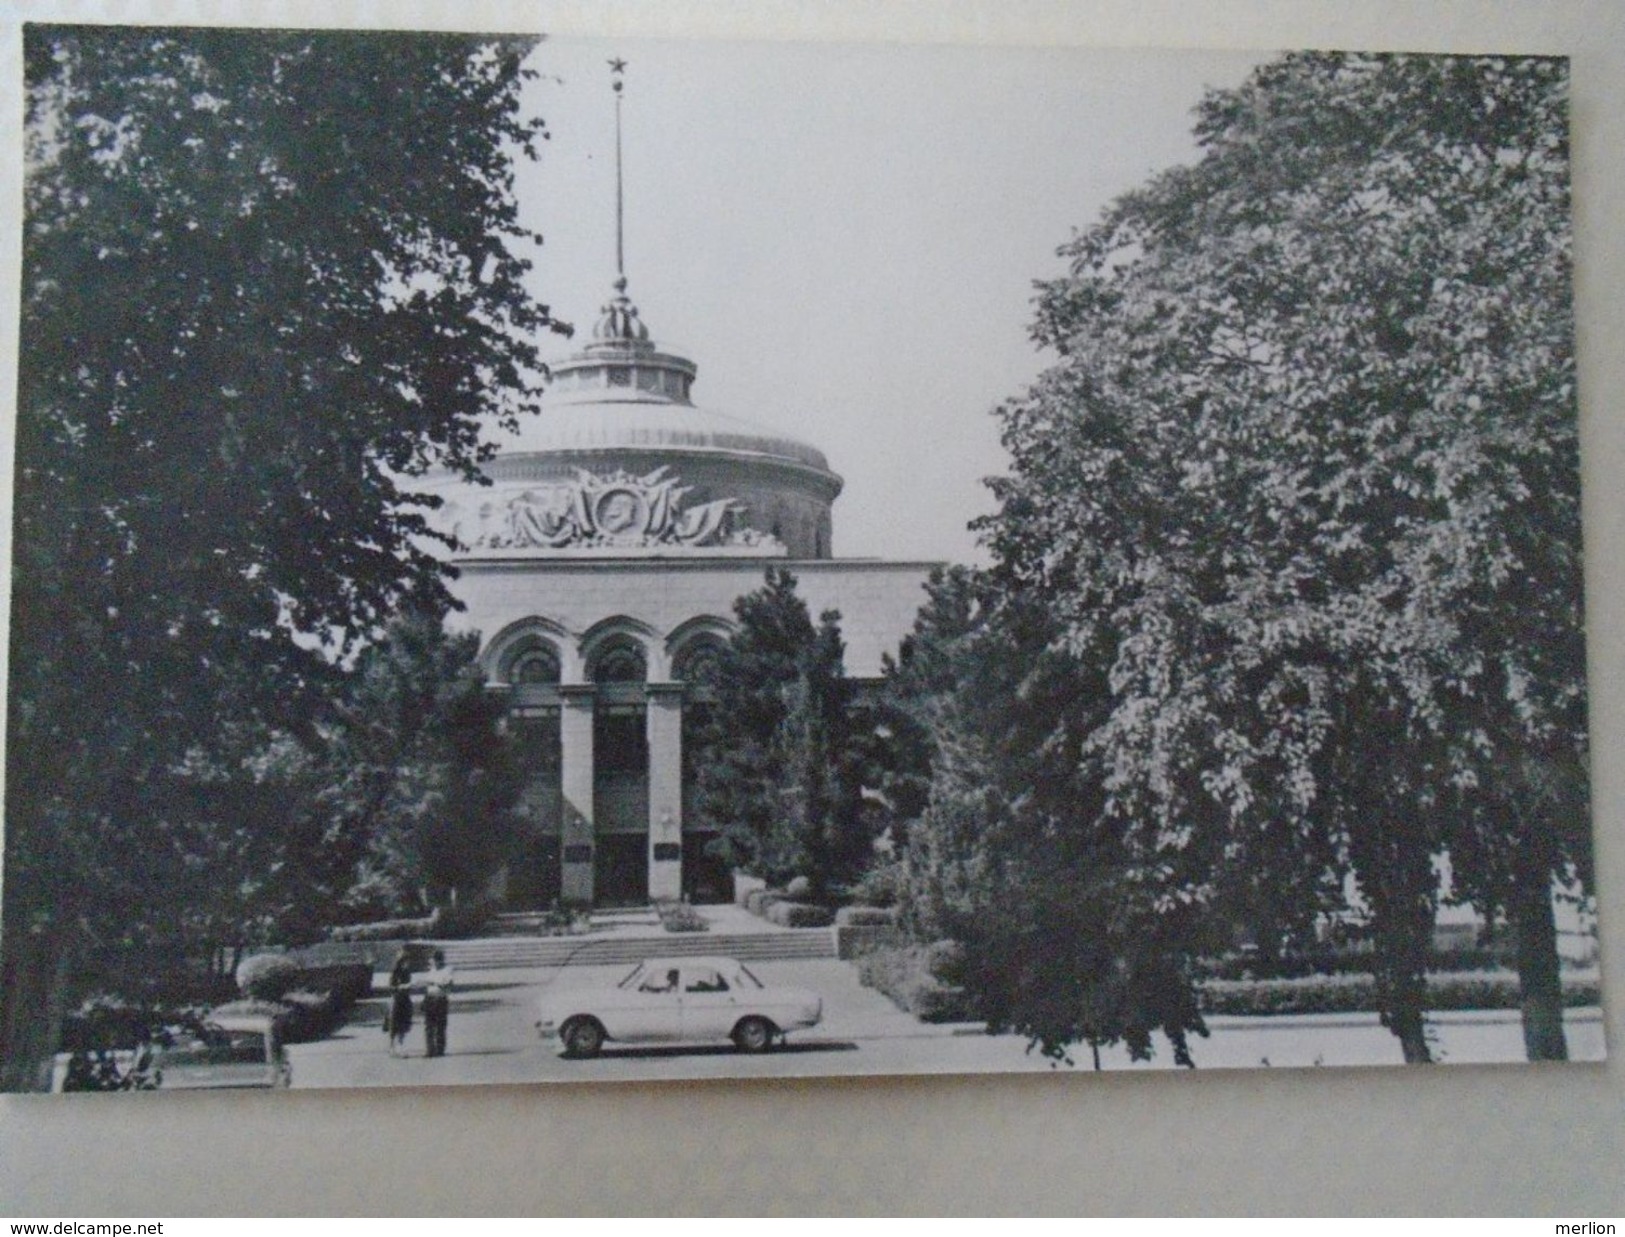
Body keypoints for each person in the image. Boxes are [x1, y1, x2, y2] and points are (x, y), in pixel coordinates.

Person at [422, 949, 454, 1058]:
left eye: (436, 961)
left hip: (440, 999)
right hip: (430, 998)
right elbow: (427, 984)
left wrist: (435, 983)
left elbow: (448, 985)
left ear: (440, 960)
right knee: (429, 1025)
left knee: (440, 1025)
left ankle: (440, 1049)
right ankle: (430, 1049)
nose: (434, 963)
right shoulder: (431, 970)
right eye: (433, 961)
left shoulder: (447, 970)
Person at [386, 947, 414, 1057]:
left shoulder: (407, 972)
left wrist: (408, 987)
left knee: (404, 1024)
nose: (408, 962)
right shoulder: (395, 972)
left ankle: (400, 1046)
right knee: (394, 1024)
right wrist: (400, 987)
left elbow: (408, 984)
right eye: (406, 960)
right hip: (396, 999)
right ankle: (391, 1047)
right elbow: (391, 986)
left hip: (405, 999)